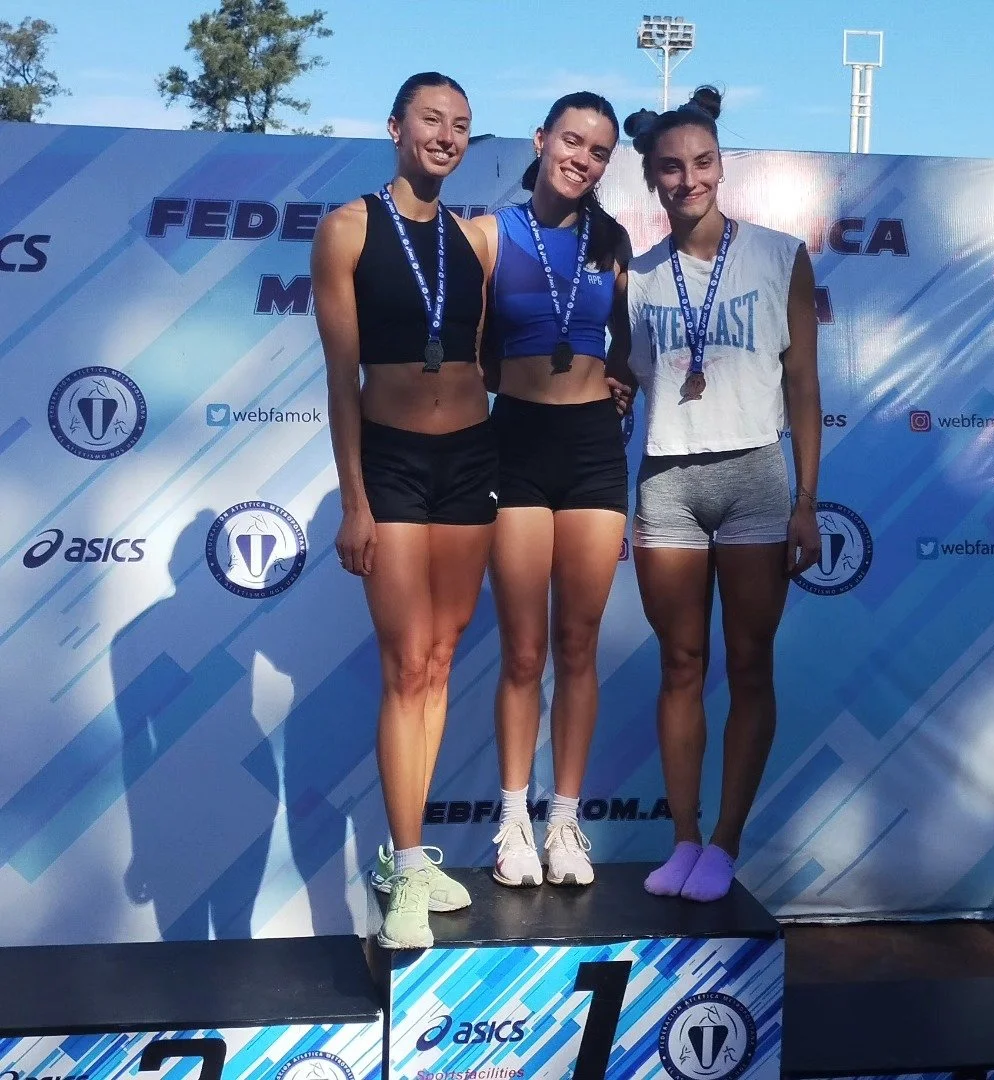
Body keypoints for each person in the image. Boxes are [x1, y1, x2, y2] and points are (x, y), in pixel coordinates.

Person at [617, 86, 822, 902]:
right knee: (680, 664)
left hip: (754, 479)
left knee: (748, 664)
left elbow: (802, 382)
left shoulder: (781, 255)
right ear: (652, 178)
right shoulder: (633, 275)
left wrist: (807, 499)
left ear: (720, 165)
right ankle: (684, 838)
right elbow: (625, 380)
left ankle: (727, 841)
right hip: (666, 481)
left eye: (701, 162)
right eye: (671, 166)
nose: (688, 178)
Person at [311, 72, 495, 949]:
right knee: (405, 662)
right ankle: (406, 860)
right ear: (395, 127)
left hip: (469, 462)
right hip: (388, 463)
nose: (447, 135)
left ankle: (415, 861)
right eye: (432, 119)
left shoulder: (474, 239)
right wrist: (353, 498)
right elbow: (341, 378)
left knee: (444, 656)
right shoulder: (346, 229)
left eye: (461, 125)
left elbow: (505, 352)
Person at [473, 92, 631, 889]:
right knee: (525, 650)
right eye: (573, 140)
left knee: (579, 645)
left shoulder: (613, 241)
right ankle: (512, 824)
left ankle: (565, 823)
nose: (584, 158)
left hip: (595, 454)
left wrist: (621, 385)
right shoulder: (491, 234)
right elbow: (467, 356)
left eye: (600, 150)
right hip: (519, 446)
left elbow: (624, 352)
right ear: (542, 141)